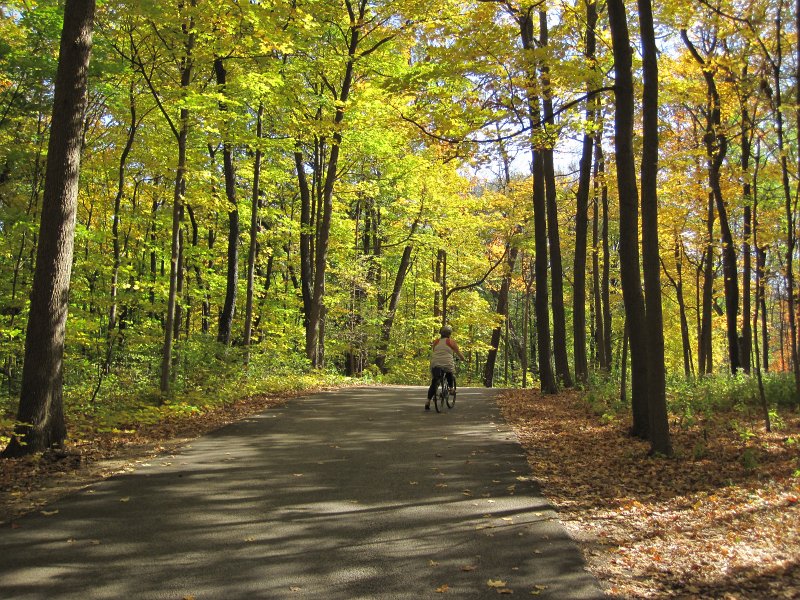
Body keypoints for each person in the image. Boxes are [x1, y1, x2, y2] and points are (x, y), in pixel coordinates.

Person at [426, 324, 466, 410]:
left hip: (435, 362)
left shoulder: (435, 342)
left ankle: (428, 401)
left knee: (434, 382)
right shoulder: (451, 342)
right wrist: (463, 359)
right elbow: (458, 353)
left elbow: (435, 351)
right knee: (450, 371)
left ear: (440, 333)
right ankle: (451, 388)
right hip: (446, 362)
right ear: (449, 334)